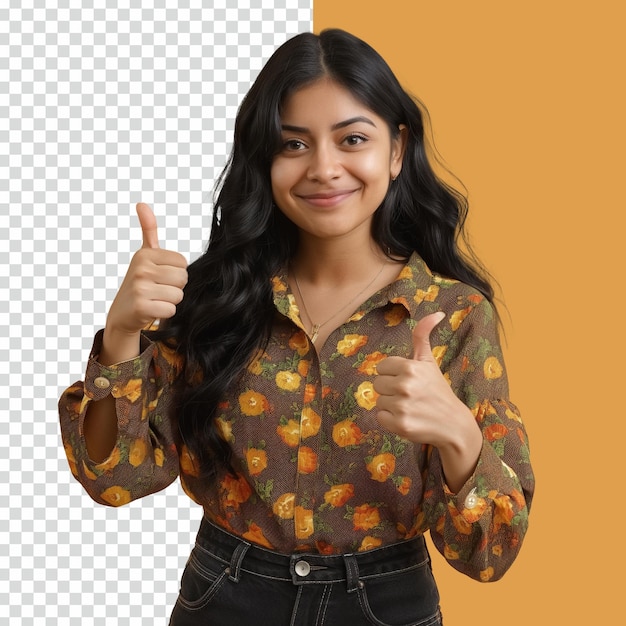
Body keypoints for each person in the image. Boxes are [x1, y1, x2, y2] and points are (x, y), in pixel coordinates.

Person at [59, 28, 534, 625]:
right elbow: (117, 479)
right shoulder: (216, 298)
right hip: (227, 598)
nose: (324, 168)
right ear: (265, 158)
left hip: (387, 604)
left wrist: (460, 437)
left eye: (352, 139)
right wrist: (121, 334)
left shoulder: (455, 316)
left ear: (395, 150)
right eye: (293, 144)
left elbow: (490, 553)